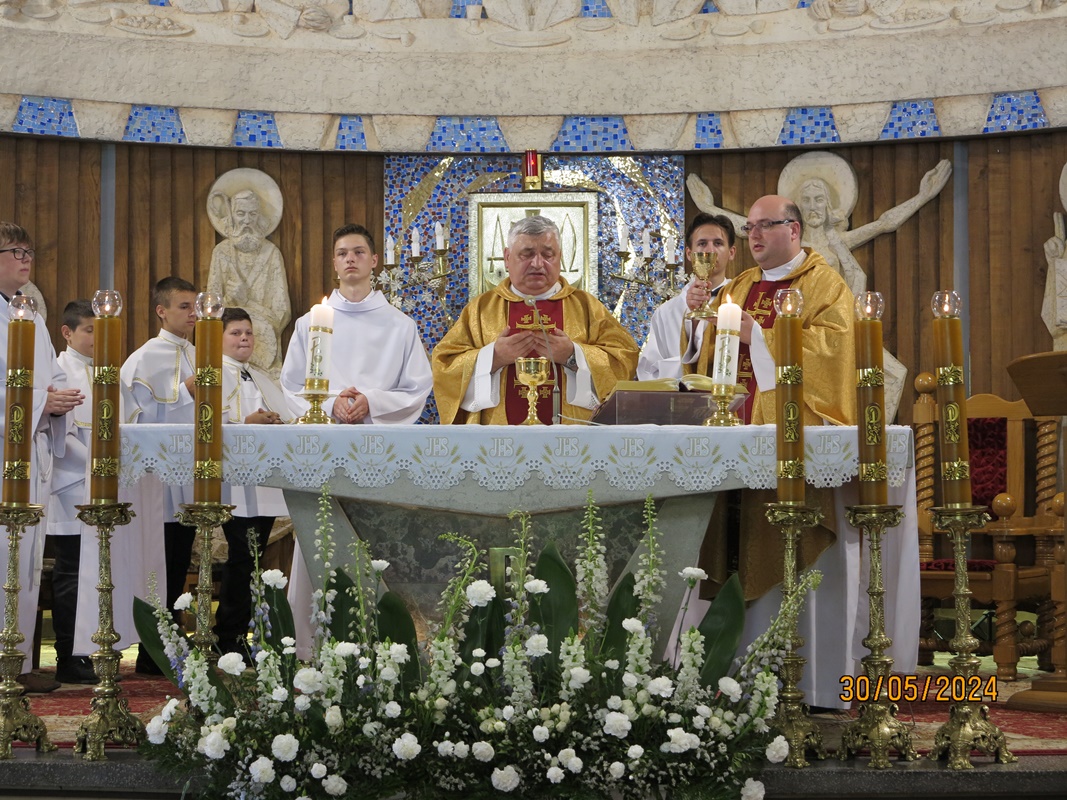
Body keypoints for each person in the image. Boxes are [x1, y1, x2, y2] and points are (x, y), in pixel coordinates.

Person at [432, 215, 639, 424]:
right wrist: (494, 357)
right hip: (498, 436)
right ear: (507, 257)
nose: (538, 263)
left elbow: (623, 360)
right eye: (527, 254)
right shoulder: (481, 309)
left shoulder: (587, 306)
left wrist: (572, 356)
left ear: (560, 257)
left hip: (573, 435)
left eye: (548, 255)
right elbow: (445, 367)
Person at [683, 195, 856, 427]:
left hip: (791, 425)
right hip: (730, 422)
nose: (754, 234)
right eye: (749, 227)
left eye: (765, 225)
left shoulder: (826, 285)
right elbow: (708, 359)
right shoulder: (739, 286)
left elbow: (833, 351)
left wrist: (758, 336)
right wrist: (698, 319)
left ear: (793, 230)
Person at [0, 223, 83, 693]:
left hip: (29, 450)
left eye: (29, 250)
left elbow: (52, 374)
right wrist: (38, 403)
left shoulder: (27, 315)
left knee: (27, 557)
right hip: (2, 453)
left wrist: (58, 398)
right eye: (15, 251)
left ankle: (19, 659)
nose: (26, 257)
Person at [120, 276, 199, 673]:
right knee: (159, 559)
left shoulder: (197, 353)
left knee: (180, 557)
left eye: (195, 306)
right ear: (161, 311)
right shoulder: (143, 359)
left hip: (187, 474)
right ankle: (151, 649)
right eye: (184, 306)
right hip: (156, 479)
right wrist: (185, 391)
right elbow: (135, 418)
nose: (193, 314)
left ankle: (171, 638)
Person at [280, 223, 433, 425]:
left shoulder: (402, 326)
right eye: (342, 254)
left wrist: (373, 402)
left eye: (359, 252)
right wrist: (330, 403)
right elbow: (291, 385)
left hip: (380, 436)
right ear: (335, 263)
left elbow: (417, 387)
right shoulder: (308, 324)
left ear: (374, 260)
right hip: (326, 433)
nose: (350, 258)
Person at [216, 307, 292, 656]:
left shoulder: (259, 376)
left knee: (254, 559)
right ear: (218, 338)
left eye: (248, 332)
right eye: (236, 333)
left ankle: (243, 633)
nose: (244, 338)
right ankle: (228, 636)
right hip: (234, 481)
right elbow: (210, 423)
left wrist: (274, 420)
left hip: (262, 481)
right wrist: (248, 422)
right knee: (242, 559)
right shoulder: (213, 376)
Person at [637, 213, 736, 380]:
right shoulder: (665, 313)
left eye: (718, 243)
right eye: (702, 243)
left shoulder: (742, 302)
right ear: (689, 254)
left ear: (731, 252)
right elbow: (648, 372)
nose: (710, 251)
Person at [207, 188, 292, 375]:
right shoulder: (221, 253)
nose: (246, 221)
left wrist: (247, 301)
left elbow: (282, 312)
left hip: (265, 356)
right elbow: (210, 311)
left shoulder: (271, 253)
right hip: (227, 358)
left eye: (252, 214)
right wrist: (230, 300)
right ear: (232, 215)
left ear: (259, 217)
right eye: (240, 214)